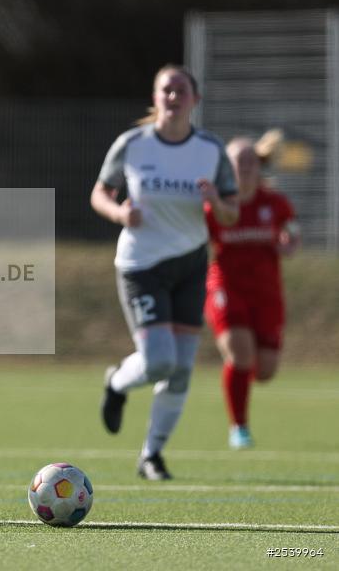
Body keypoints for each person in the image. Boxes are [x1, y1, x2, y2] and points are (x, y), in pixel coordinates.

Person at [90, 64, 239, 480]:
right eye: (165, 91)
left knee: (181, 369)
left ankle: (151, 455)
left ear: (195, 100)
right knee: (159, 362)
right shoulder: (133, 144)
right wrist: (120, 211)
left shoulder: (210, 150)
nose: (173, 97)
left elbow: (231, 213)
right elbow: (99, 193)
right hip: (141, 265)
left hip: (191, 265)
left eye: (180, 91)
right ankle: (117, 382)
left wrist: (215, 201)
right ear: (155, 99)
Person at [204, 131, 300, 450]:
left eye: (249, 161)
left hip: (267, 294)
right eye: (236, 161)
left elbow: (291, 233)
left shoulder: (275, 203)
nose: (244, 166)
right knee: (240, 353)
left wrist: (289, 242)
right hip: (226, 288)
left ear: (259, 165)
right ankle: (239, 428)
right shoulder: (214, 206)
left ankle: (240, 375)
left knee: (266, 371)